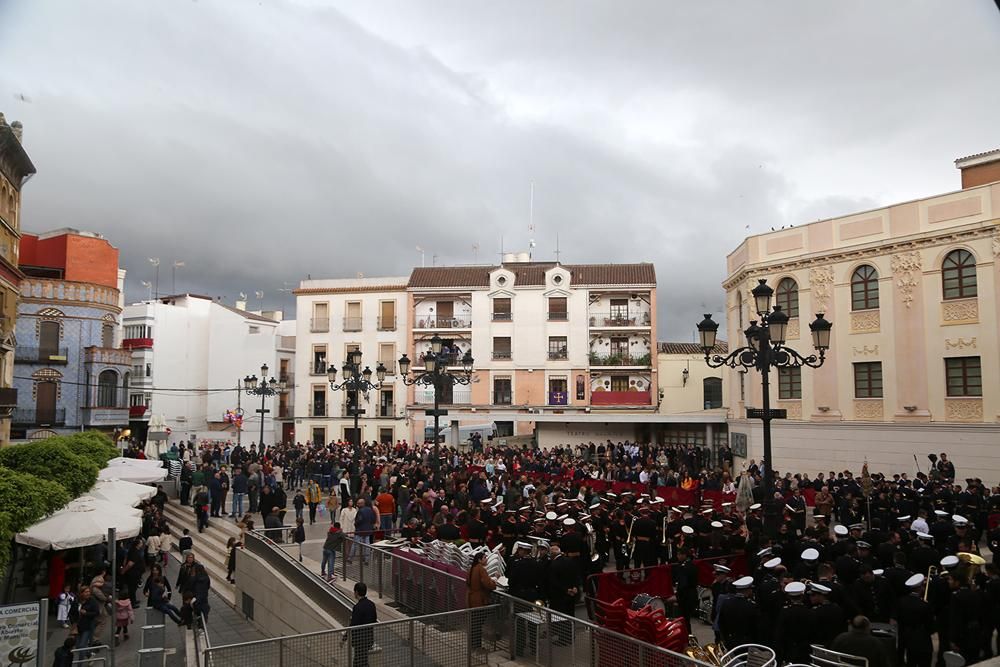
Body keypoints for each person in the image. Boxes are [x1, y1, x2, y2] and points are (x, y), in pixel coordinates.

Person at [467, 552, 497, 652]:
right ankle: (478, 647)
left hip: (471, 598)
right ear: (479, 560)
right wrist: (494, 582)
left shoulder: (472, 568)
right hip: (479, 600)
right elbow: (487, 583)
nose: (486, 559)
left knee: (474, 623)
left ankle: (473, 646)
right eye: (484, 558)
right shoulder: (481, 569)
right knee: (478, 624)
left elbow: (467, 581)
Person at [344, 582, 377, 667]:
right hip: (369, 638)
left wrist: (345, 637)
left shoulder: (357, 607)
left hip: (359, 639)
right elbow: (374, 619)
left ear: (357, 592)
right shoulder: (371, 604)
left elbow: (353, 624)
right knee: (363, 660)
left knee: (358, 661)